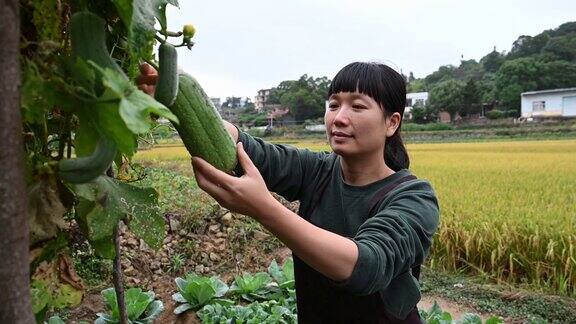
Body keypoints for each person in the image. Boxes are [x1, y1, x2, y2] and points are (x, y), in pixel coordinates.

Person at [138, 61, 440, 323]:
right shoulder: (318, 170)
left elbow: (365, 266)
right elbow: (245, 146)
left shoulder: (414, 198)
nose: (339, 118)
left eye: (358, 106)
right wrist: (176, 97)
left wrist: (264, 209)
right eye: (333, 104)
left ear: (392, 122)